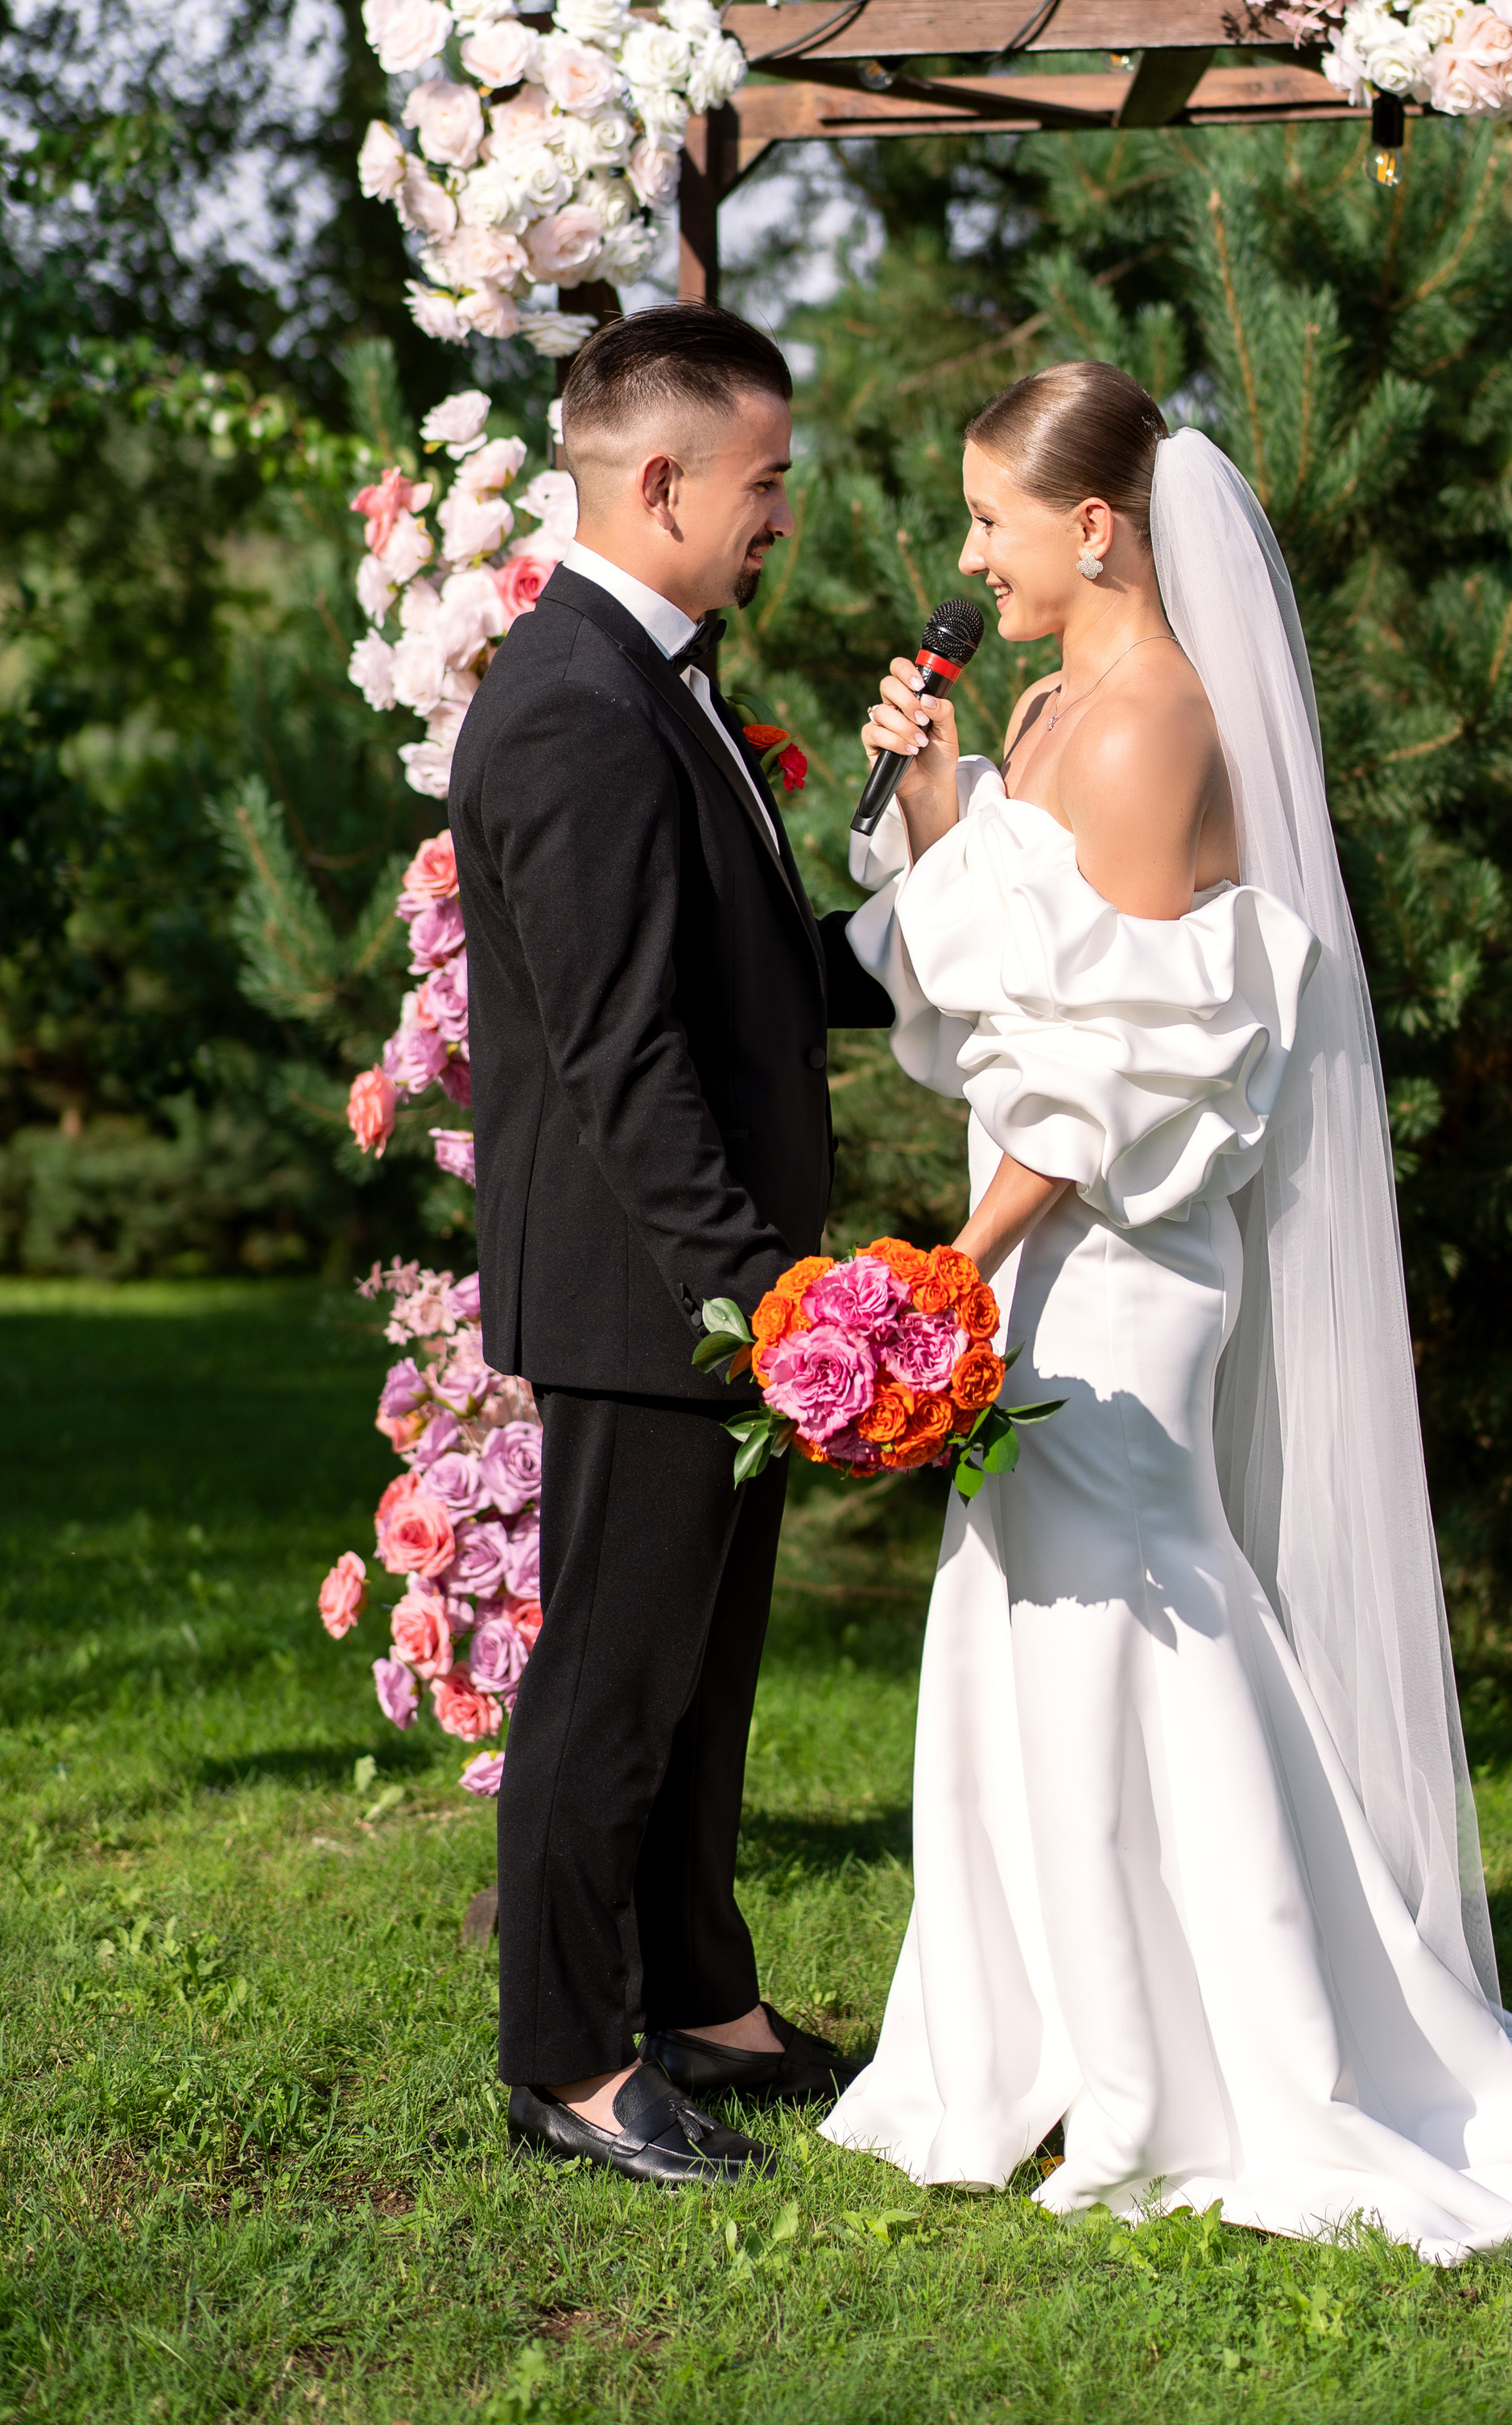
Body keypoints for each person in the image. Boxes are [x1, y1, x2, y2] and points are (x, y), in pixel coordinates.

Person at [820, 358, 1512, 2254]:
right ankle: (1080, 2044)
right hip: (1034, 1233)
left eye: (988, 519)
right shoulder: (1048, 705)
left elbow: (1111, 1086)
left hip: (1108, 1257)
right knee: (1045, 1638)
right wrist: (937, 799)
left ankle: (1225, 2065)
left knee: (1139, 1634)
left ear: (1094, 524)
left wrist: (951, 1274)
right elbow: (1007, 991)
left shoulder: (1144, 732)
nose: (965, 556)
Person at [449, 302, 892, 2190]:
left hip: (705, 1289)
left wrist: (934, 943)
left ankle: (703, 1999)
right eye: (765, 478)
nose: (781, 513)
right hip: (661, 1295)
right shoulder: (570, 703)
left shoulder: (656, 680)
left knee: (701, 1676)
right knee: (614, 1681)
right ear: (661, 479)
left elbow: (726, 983)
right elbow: (623, 1058)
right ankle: (565, 2056)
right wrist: (762, 1297)